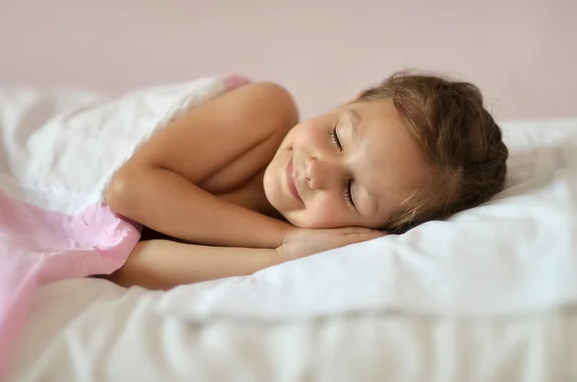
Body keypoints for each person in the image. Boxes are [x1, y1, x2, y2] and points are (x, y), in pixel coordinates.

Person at [105, 72, 509, 290]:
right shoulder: (264, 110)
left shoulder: (303, 242)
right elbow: (128, 189)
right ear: (353, 99)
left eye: (351, 192)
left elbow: (125, 265)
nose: (316, 171)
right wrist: (278, 239)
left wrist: (280, 259)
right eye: (337, 136)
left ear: (370, 229)